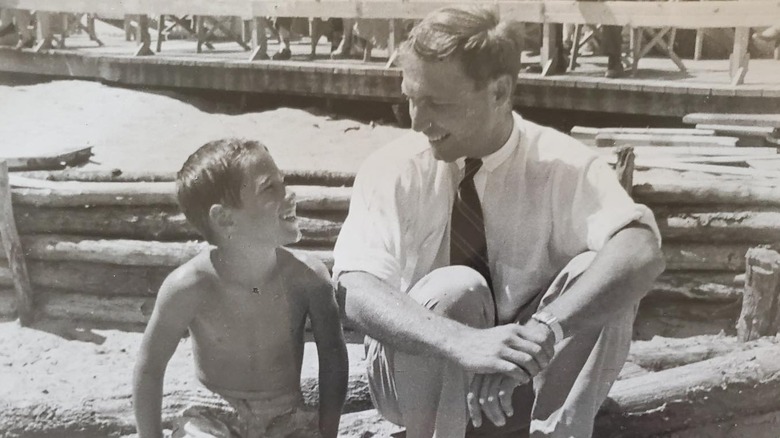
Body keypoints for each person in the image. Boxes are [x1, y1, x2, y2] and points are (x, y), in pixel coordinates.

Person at [332, 5, 664, 438]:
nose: (416, 120)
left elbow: (641, 250)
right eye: (411, 98)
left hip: (522, 373)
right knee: (455, 288)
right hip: (417, 375)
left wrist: (546, 329)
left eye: (436, 103)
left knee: (602, 271)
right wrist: (462, 342)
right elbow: (354, 287)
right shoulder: (394, 166)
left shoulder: (559, 162)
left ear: (499, 92)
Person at [133, 138, 348, 438]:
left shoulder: (309, 278)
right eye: (269, 189)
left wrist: (327, 434)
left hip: (286, 417)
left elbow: (333, 356)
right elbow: (149, 367)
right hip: (213, 413)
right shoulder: (189, 286)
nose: (290, 195)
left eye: (283, 184)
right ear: (224, 219)